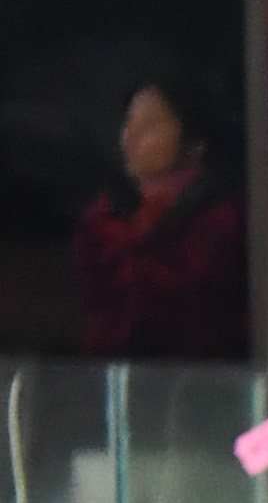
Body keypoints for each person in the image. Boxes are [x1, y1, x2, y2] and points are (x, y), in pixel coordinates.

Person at [71, 78, 246, 360]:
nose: (132, 136)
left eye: (151, 125)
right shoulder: (104, 216)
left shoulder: (222, 220)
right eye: (129, 122)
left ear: (196, 142)